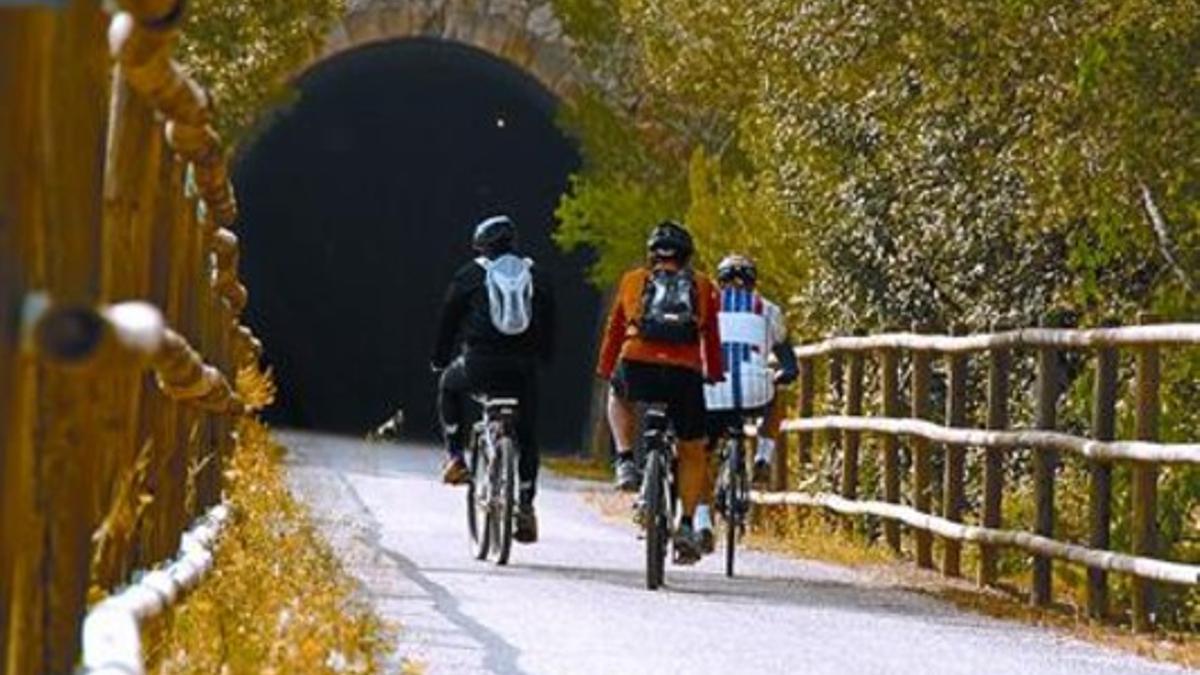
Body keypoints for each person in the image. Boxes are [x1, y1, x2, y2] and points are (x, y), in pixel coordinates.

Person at [595, 220, 723, 563]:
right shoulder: (703, 285)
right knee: (692, 449)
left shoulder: (633, 280)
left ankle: (624, 460)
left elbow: (615, 329)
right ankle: (684, 524)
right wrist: (714, 373)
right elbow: (710, 335)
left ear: (652, 254)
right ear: (687, 256)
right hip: (684, 374)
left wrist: (607, 369)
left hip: (638, 365)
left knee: (617, 395)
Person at [432, 214, 555, 543]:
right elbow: (550, 321)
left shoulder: (470, 274)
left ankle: (456, 456)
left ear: (481, 247)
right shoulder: (536, 275)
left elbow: (448, 319)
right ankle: (526, 505)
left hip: (479, 365)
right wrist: (542, 357)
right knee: (527, 435)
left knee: (447, 384)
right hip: (522, 369)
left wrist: (440, 358)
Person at [696, 253, 798, 551]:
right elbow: (788, 360)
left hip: (711, 392)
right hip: (754, 392)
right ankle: (763, 456)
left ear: (720, 280)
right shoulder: (767, 310)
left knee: (697, 453)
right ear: (753, 282)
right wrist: (786, 372)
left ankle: (702, 520)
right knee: (775, 392)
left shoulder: (707, 307)